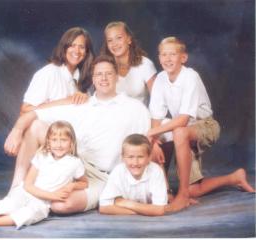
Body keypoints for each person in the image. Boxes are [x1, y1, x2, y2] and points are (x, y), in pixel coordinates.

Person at [4, 55, 151, 214]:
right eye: (99, 74)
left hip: (105, 177)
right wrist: (17, 130)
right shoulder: (82, 105)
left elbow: (147, 143)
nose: (104, 78)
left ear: (117, 77)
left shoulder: (135, 108)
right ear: (93, 79)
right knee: (35, 126)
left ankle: (109, 197)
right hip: (76, 166)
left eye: (108, 74)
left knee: (60, 206)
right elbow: (33, 114)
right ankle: (16, 190)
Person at [148, 36, 255, 213]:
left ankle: (182, 196)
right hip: (181, 130)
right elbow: (156, 118)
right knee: (193, 189)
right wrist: (154, 140)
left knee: (176, 132)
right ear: (159, 58)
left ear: (183, 57)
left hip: (205, 125)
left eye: (172, 54)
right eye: (163, 54)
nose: (167, 58)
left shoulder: (190, 76)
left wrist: (152, 133)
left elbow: (182, 120)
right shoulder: (160, 79)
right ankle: (233, 178)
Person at [0, 121, 88, 229]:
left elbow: (84, 182)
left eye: (63, 140)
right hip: (27, 193)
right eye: (54, 140)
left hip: (42, 203)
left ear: (71, 143)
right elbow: (28, 185)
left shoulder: (75, 163)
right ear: (48, 142)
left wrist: (71, 186)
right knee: (6, 205)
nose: (58, 144)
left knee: (24, 215)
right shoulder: (42, 157)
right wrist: (52, 195)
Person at [20, 27, 95, 115]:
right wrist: (65, 101)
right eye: (72, 45)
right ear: (64, 47)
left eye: (81, 47)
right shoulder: (49, 73)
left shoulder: (82, 78)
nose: (77, 51)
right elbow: (25, 109)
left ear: (86, 53)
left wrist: (86, 99)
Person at [99, 134, 167, 216]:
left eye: (140, 157)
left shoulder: (156, 171)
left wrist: (127, 204)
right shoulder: (118, 171)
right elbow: (104, 207)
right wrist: (143, 211)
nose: (135, 162)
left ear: (149, 157)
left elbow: (159, 210)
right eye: (130, 157)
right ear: (123, 158)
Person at [100, 21, 157, 105]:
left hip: (139, 116)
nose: (114, 44)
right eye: (110, 40)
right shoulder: (104, 66)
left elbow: (158, 99)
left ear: (129, 39)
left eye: (119, 38)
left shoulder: (145, 64)